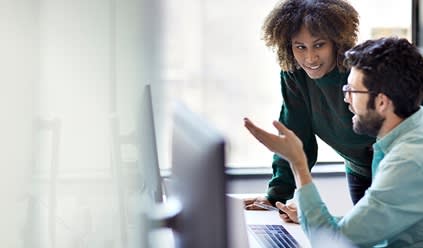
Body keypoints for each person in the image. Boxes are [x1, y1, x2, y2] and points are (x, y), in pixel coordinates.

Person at [245, 37, 423, 247]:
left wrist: (298, 164)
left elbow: (334, 241)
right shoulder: (406, 135)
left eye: (352, 91)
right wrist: (308, 217)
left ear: (382, 102)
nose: (346, 98)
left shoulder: (408, 160)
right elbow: (374, 227)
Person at [244, 0, 375, 221]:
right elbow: (295, 135)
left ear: (336, 42)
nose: (310, 58)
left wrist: (315, 218)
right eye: (300, 47)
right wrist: (275, 197)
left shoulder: (359, 74)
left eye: (319, 45)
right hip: (359, 169)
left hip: (395, 167)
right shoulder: (295, 75)